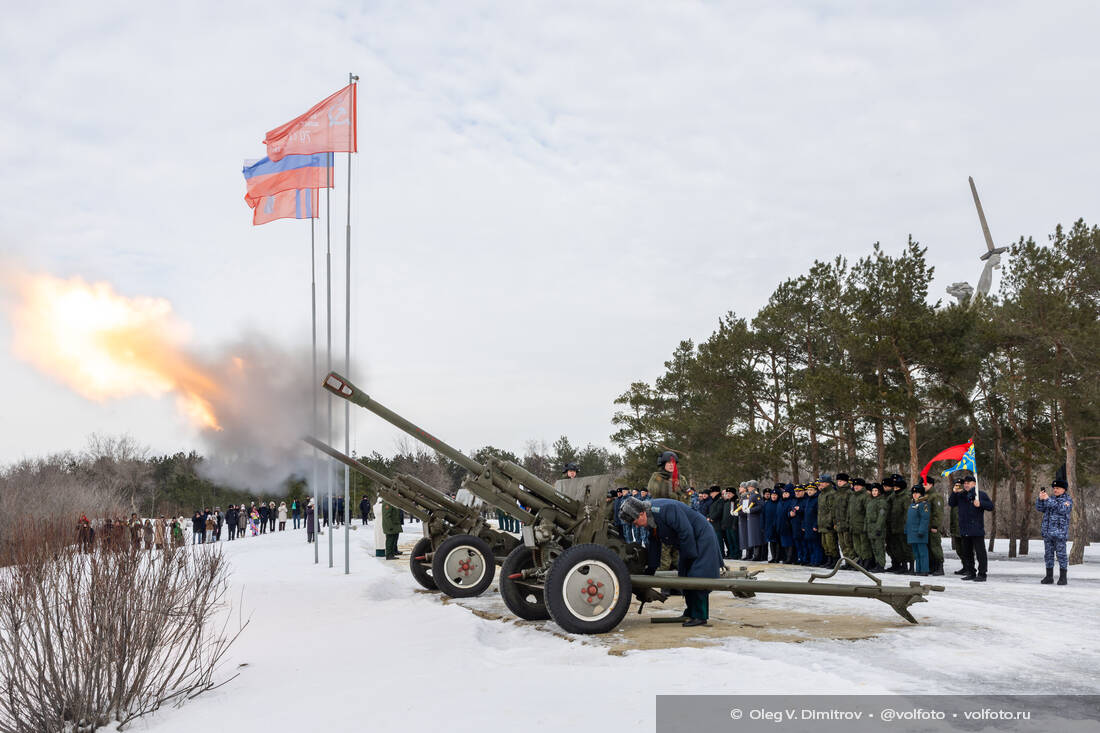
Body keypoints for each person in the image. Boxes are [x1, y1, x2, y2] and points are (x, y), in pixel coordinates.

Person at [620, 496, 722, 628]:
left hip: (702, 538)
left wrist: (688, 557)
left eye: (635, 522)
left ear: (641, 513)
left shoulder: (666, 509)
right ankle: (690, 612)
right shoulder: (650, 517)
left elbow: (686, 531)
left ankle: (700, 616)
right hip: (690, 541)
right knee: (684, 576)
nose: (636, 525)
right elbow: (654, 541)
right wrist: (651, 568)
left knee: (697, 576)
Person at [948, 474, 994, 581]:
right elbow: (951, 503)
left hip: (976, 529)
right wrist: (954, 492)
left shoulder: (980, 494)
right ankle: (971, 572)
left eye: (968, 483)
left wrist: (980, 503)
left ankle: (982, 574)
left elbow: (991, 506)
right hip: (964, 529)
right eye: (965, 483)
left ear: (974, 483)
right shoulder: (961, 495)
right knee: (967, 553)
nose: (966, 485)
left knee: (980, 553)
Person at [1036, 479, 1073, 585]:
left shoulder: (1067, 500)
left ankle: (1063, 577)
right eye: (1054, 488)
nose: (1055, 490)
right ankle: (1049, 576)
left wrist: (1047, 500)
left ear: (1064, 489)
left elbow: (1062, 509)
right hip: (1047, 533)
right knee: (1048, 555)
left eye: (1057, 488)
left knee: (1061, 555)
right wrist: (1040, 499)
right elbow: (1040, 508)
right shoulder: (1050, 499)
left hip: (1059, 533)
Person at [886, 475, 913, 573]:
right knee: (899, 548)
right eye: (894, 488)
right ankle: (904, 566)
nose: (895, 489)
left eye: (897, 488)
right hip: (895, 526)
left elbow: (907, 512)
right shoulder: (894, 497)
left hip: (903, 526)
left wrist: (907, 525)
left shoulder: (905, 497)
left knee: (906, 548)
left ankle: (911, 567)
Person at [905, 483, 931, 575]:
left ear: (921, 494)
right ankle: (919, 570)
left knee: (922, 552)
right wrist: (906, 530)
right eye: (913, 493)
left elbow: (925, 518)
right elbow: (909, 519)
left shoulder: (924, 504)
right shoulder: (912, 504)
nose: (915, 494)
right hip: (912, 533)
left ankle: (924, 570)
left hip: (920, 532)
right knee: (916, 553)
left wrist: (922, 530)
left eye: (917, 493)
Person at [923, 476, 945, 576]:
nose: (923, 486)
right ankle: (932, 567)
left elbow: (938, 513)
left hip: (933, 527)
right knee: (929, 548)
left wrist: (935, 526)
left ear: (931, 484)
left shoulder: (936, 496)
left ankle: (940, 567)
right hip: (926, 527)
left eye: (925, 484)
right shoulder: (925, 496)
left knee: (935, 547)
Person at [864, 483, 888, 573]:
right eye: (873, 490)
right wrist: (866, 527)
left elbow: (882, 516)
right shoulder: (871, 501)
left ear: (879, 491)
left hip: (878, 528)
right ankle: (876, 564)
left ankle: (880, 565)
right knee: (874, 548)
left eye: (876, 490)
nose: (874, 492)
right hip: (871, 528)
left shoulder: (881, 502)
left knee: (879, 548)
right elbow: (867, 516)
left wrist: (878, 528)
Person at [816, 475, 838, 567]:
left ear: (827, 483)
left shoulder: (832, 493)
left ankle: (835, 561)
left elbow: (832, 510)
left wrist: (830, 522)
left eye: (822, 482)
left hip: (829, 524)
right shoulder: (821, 494)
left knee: (831, 543)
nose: (820, 484)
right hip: (822, 523)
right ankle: (829, 560)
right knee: (825, 544)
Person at [847, 478, 869, 569]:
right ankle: (861, 560)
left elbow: (868, 512)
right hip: (853, 525)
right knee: (857, 546)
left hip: (862, 525)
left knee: (864, 545)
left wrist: (866, 525)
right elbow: (849, 511)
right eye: (855, 485)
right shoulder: (852, 496)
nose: (856, 487)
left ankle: (866, 561)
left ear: (862, 486)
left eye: (858, 485)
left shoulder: (865, 496)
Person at [832, 474, 853, 566]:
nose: (839, 482)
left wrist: (848, 521)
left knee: (848, 544)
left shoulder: (849, 493)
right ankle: (846, 561)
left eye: (841, 481)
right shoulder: (837, 493)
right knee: (842, 544)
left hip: (846, 522)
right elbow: (834, 508)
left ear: (845, 481)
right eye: (838, 481)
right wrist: (834, 521)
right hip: (839, 522)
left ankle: (851, 562)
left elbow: (850, 509)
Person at [803, 483, 824, 567]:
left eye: (811, 490)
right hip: (807, 526)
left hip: (813, 526)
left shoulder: (817, 499)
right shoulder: (808, 499)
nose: (809, 491)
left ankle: (817, 561)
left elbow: (818, 514)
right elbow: (806, 514)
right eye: (808, 490)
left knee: (816, 545)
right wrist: (803, 525)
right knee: (810, 545)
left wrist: (816, 525)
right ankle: (812, 560)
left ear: (815, 491)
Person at [720, 488, 739, 560]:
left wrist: (735, 524)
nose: (728, 495)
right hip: (727, 525)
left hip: (732, 524)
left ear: (733, 494)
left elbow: (736, 514)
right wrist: (723, 523)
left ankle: (737, 554)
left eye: (729, 493)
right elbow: (725, 515)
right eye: (727, 493)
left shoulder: (736, 501)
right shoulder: (726, 502)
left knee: (735, 540)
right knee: (729, 541)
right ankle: (731, 553)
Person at [763, 486, 781, 562]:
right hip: (768, 526)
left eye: (775, 495)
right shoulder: (767, 504)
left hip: (777, 526)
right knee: (771, 542)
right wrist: (763, 525)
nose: (773, 496)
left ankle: (777, 557)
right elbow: (763, 515)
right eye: (772, 495)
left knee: (777, 542)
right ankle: (773, 557)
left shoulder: (779, 503)